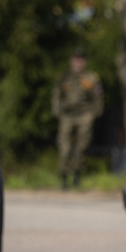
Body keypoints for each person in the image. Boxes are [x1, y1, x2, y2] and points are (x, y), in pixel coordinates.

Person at [52, 48, 104, 190]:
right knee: (64, 147)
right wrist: (57, 111)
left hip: (85, 115)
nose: (78, 63)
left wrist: (94, 114)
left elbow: (98, 97)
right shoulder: (64, 77)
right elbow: (56, 95)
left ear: (84, 62)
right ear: (71, 61)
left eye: (81, 60)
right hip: (67, 115)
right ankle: (63, 177)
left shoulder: (91, 78)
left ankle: (76, 176)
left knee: (81, 147)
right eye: (76, 59)